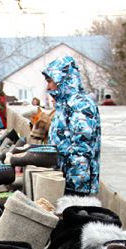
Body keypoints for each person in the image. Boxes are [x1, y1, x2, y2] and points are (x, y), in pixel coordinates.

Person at [42, 56, 101, 195]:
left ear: (62, 79)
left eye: (50, 81)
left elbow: (82, 149)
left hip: (75, 182)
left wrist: (74, 185)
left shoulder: (81, 105)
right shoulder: (64, 104)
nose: (48, 86)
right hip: (62, 176)